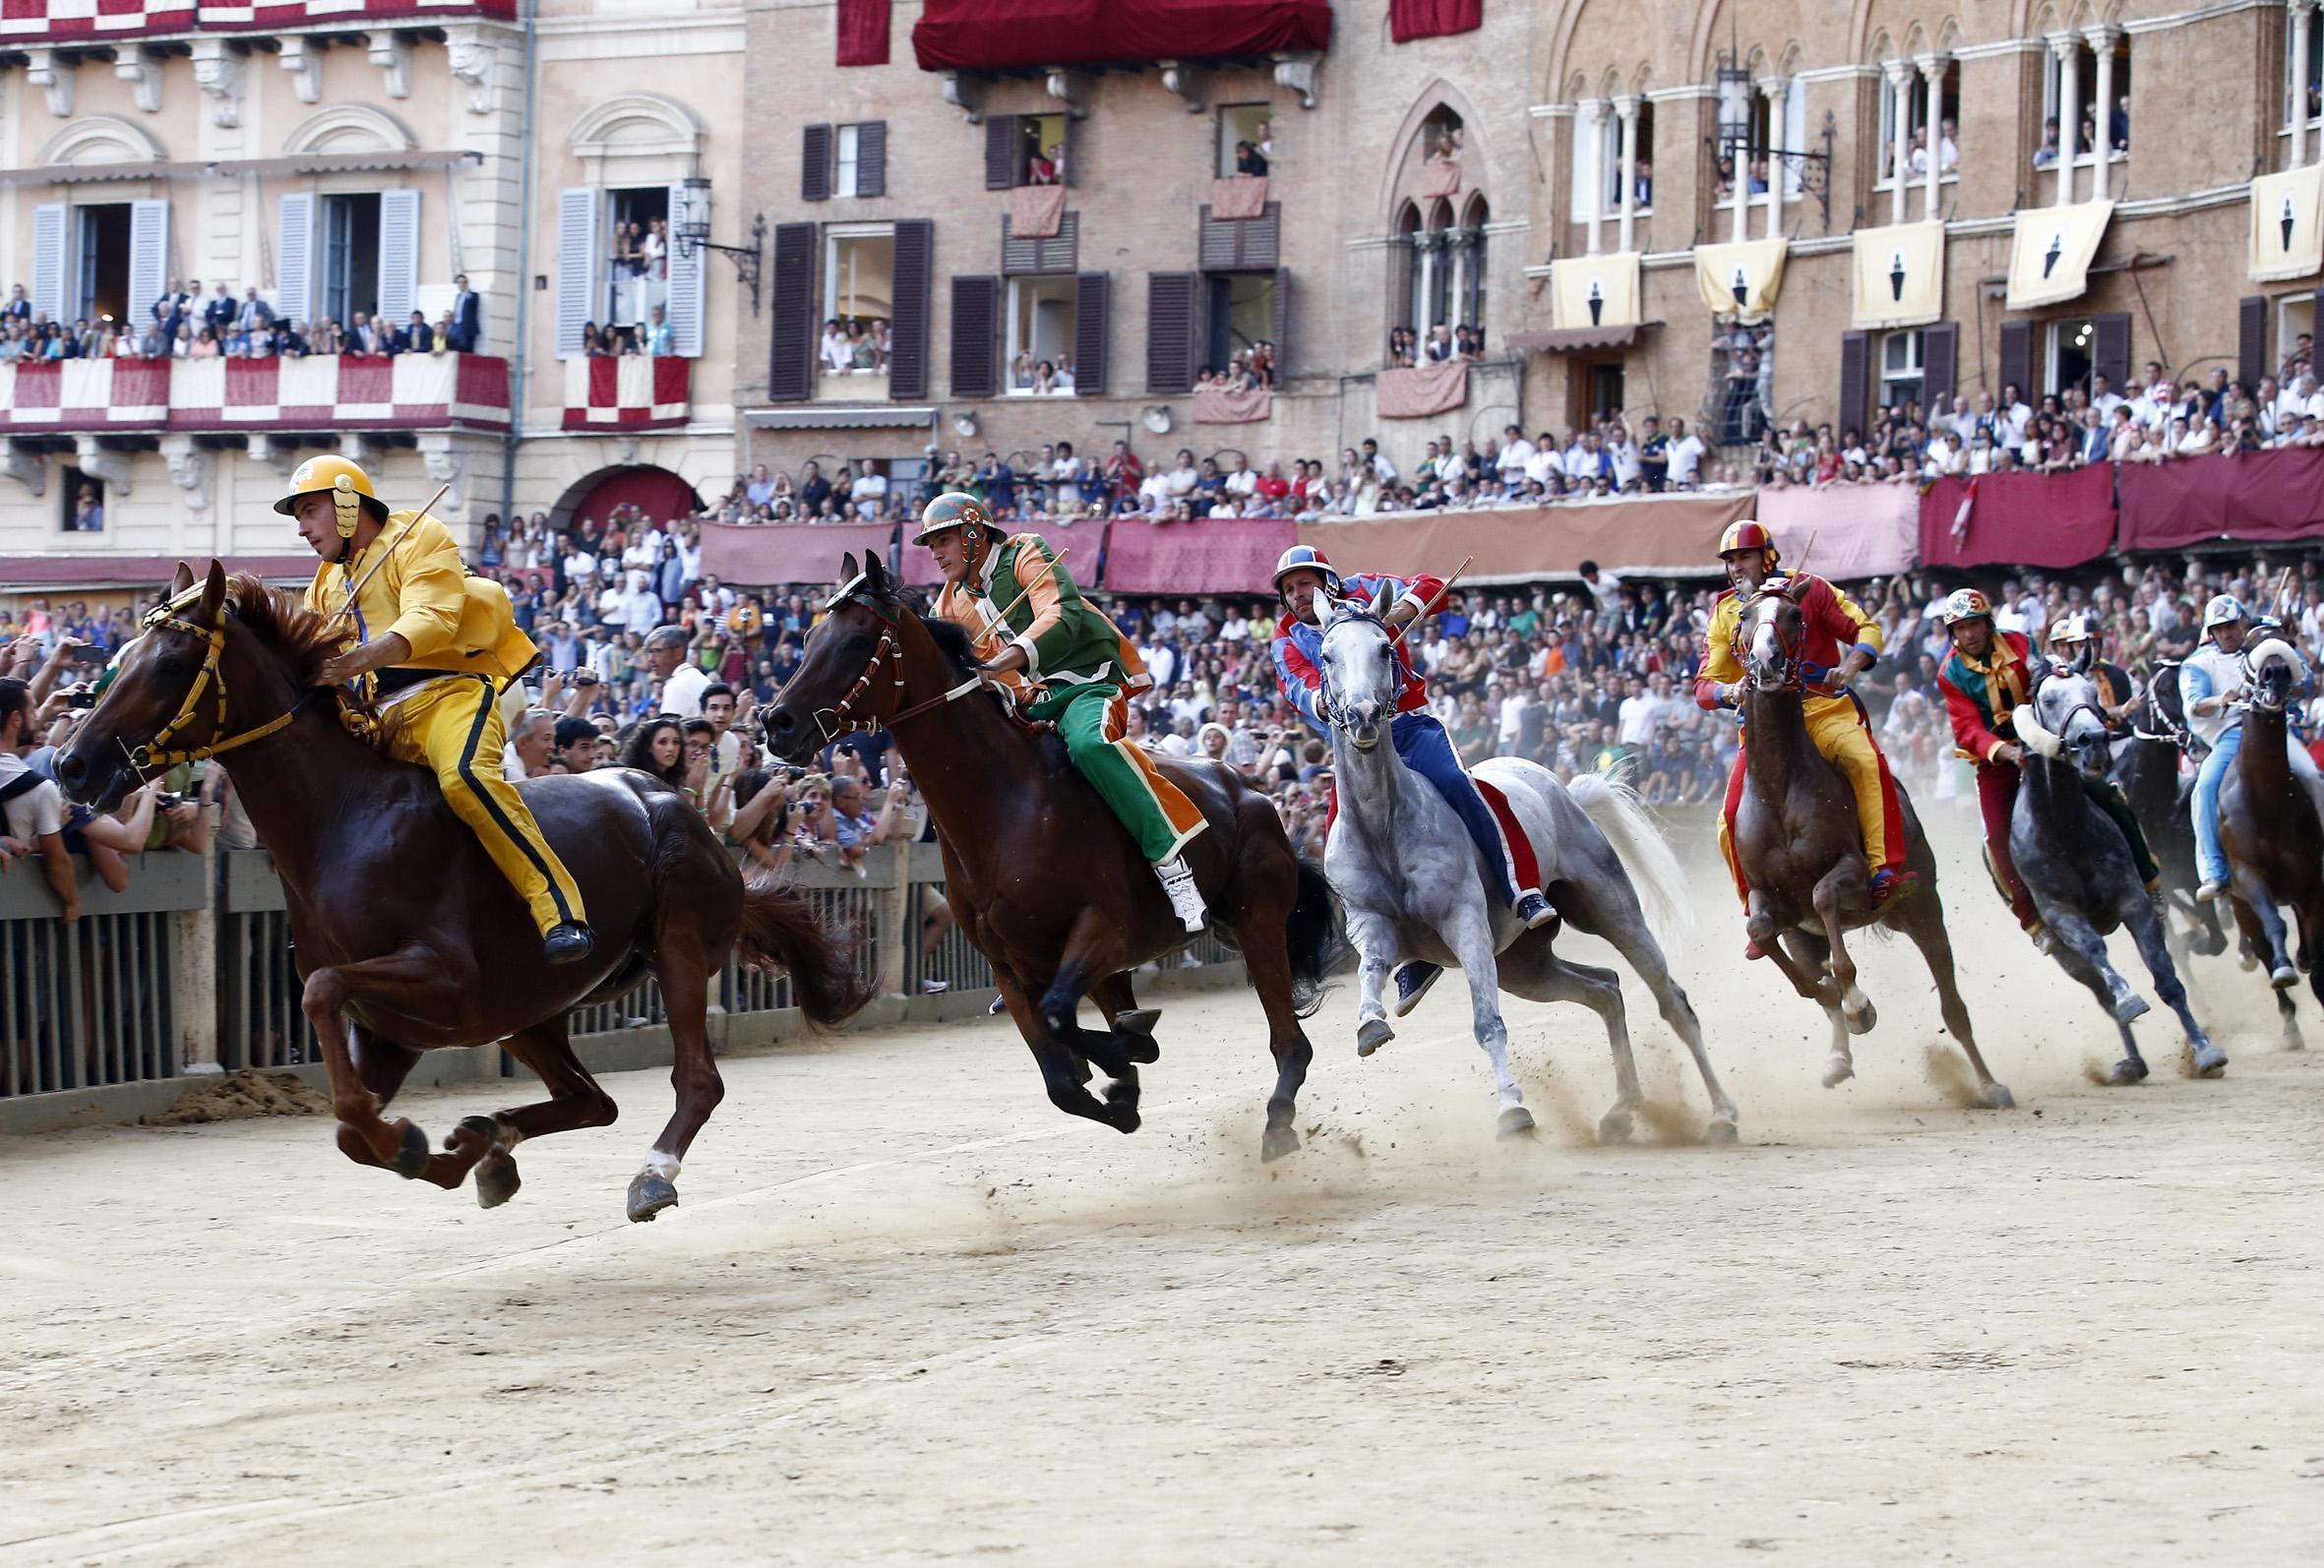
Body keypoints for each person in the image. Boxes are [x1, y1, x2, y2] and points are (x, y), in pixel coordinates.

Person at [285, 454, 595, 964]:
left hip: (446, 698)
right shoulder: (323, 582)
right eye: (298, 517)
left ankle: (559, 911)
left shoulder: (419, 536)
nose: (302, 529)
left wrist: (357, 659)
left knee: (465, 778)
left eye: (309, 511)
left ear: (346, 504)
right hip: (374, 720)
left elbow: (432, 620)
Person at [1270, 544, 1555, 1014]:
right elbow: (1297, 686)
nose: (1300, 594)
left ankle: (1522, 889)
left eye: (1307, 582)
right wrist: (1332, 702)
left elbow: (1429, 587)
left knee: (1462, 787)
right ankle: (1410, 955)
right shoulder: (1285, 636)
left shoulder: (1365, 589)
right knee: (1343, 839)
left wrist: (1397, 613)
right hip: (1355, 746)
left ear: (1326, 578)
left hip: (1410, 726)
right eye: (1290, 588)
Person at [917, 491, 1211, 931]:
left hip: (1088, 685)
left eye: (944, 539)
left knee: (1091, 745)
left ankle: (1173, 867)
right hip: (1031, 707)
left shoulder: (1024, 552)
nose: (936, 552)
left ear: (974, 533)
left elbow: (1061, 614)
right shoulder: (946, 604)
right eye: (931, 544)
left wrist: (1000, 663)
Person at [1693, 519, 1916, 955]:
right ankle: (1756, 911)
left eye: (1746, 556)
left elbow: (1865, 630)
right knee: (1728, 817)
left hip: (1824, 709)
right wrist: (1728, 691)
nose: (1738, 567)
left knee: (1867, 763)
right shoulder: (1725, 611)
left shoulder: (1810, 588)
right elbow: (1705, 684)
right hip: (1764, 731)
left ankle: (1882, 871)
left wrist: (1849, 668)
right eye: (1732, 560)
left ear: (1767, 556)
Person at [1936, 589, 2159, 951]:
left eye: (1974, 625)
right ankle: (2033, 919)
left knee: (2108, 795)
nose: (1969, 635)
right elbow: (1967, 728)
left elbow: (2043, 683)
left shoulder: (2021, 643)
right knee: (1997, 837)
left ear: (1987, 623)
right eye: (1960, 629)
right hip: (1998, 761)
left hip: (2045, 741)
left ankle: (2150, 882)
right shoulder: (1950, 672)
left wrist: (2054, 677)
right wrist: (2007, 752)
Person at [2182, 595, 2321, 900]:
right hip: (2230, 736)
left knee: (2311, 775)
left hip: (2273, 732)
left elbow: (2306, 684)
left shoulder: (2265, 648)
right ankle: (2213, 872)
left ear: (2243, 623)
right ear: (2211, 632)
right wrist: (2219, 700)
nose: (2227, 634)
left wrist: (2285, 649)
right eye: (2219, 629)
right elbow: (2193, 705)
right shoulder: (2198, 663)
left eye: (2231, 626)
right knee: (2204, 787)